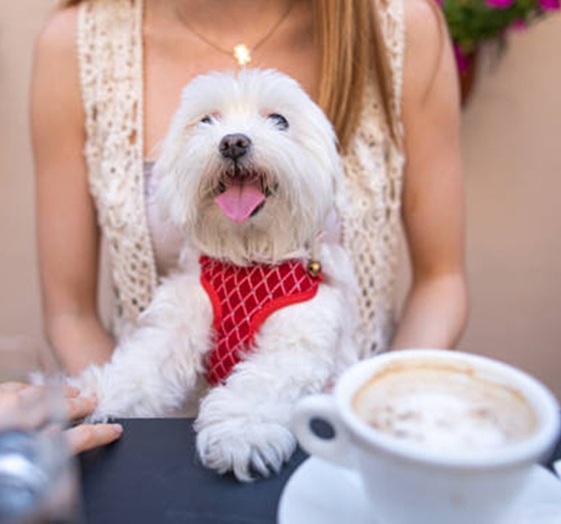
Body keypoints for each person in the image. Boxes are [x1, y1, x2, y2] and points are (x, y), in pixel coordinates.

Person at [30, 0, 467, 376]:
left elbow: (440, 281)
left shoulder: (402, 27)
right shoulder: (75, 48)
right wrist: (129, 432)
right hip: (154, 448)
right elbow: (72, 316)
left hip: (347, 439)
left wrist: (379, 414)